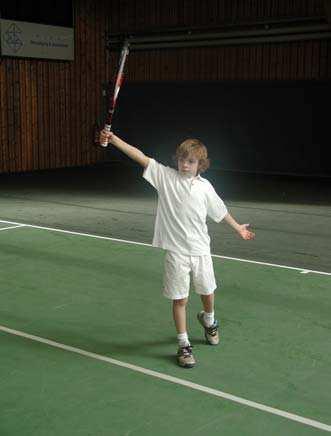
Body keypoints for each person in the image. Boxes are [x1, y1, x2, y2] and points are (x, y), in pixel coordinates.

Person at [99, 130, 255, 368]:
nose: (185, 164)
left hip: (201, 250)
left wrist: (238, 228)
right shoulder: (165, 177)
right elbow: (140, 156)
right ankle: (183, 344)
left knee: (207, 292)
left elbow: (220, 211)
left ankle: (209, 319)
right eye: (182, 160)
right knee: (179, 299)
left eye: (191, 161)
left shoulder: (205, 187)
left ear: (200, 164)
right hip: (176, 252)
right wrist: (114, 139)